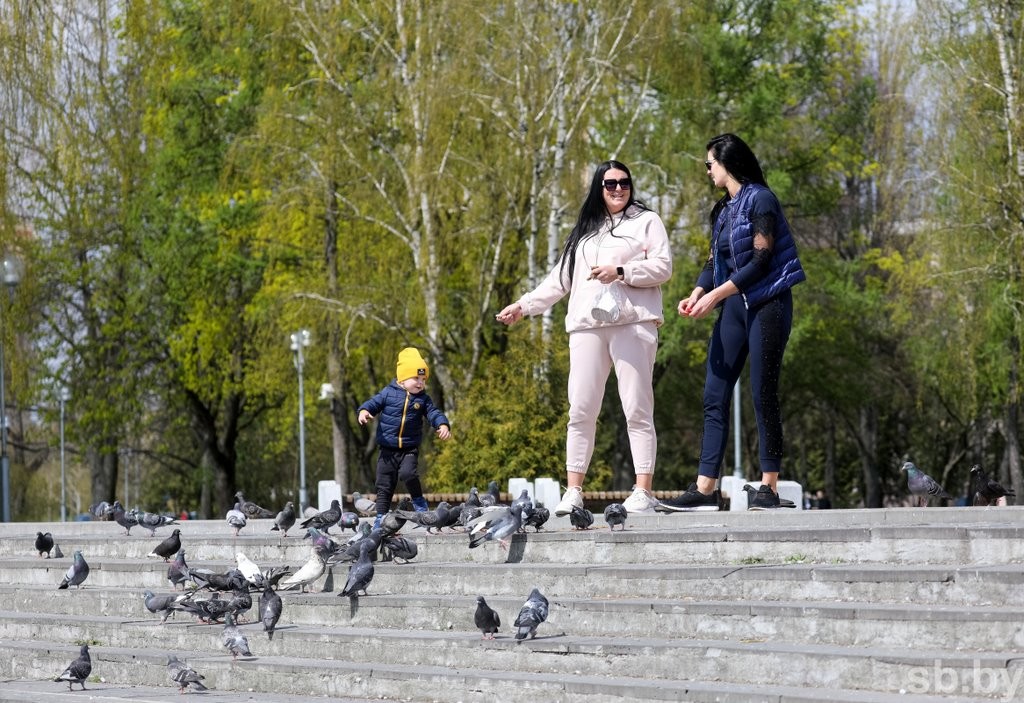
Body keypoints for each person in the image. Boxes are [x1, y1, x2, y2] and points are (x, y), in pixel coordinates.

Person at [496, 160, 673, 516]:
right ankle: (574, 490)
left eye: (625, 183)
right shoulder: (584, 231)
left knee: (637, 407)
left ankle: (642, 490)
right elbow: (559, 280)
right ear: (599, 187)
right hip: (586, 327)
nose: (619, 189)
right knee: (580, 409)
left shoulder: (646, 222)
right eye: (610, 184)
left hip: (633, 324)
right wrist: (523, 306)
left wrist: (621, 271)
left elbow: (663, 267)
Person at [658, 134, 805, 512]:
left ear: (727, 163)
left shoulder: (761, 199)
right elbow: (715, 262)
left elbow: (760, 260)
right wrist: (696, 292)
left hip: (768, 302)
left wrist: (715, 296)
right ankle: (705, 488)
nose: (707, 170)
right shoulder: (723, 210)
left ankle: (768, 489)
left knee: (762, 393)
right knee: (713, 393)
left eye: (710, 164)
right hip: (735, 308)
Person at [358, 347, 451, 526]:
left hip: (409, 448)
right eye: (416, 378)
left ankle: (420, 504)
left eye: (423, 379)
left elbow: (433, 413)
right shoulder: (388, 393)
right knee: (384, 484)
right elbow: (373, 403)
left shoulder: (423, 399)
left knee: (409, 474)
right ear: (402, 379)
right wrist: (364, 411)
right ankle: (381, 516)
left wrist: (443, 424)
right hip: (387, 449)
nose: (420, 383)